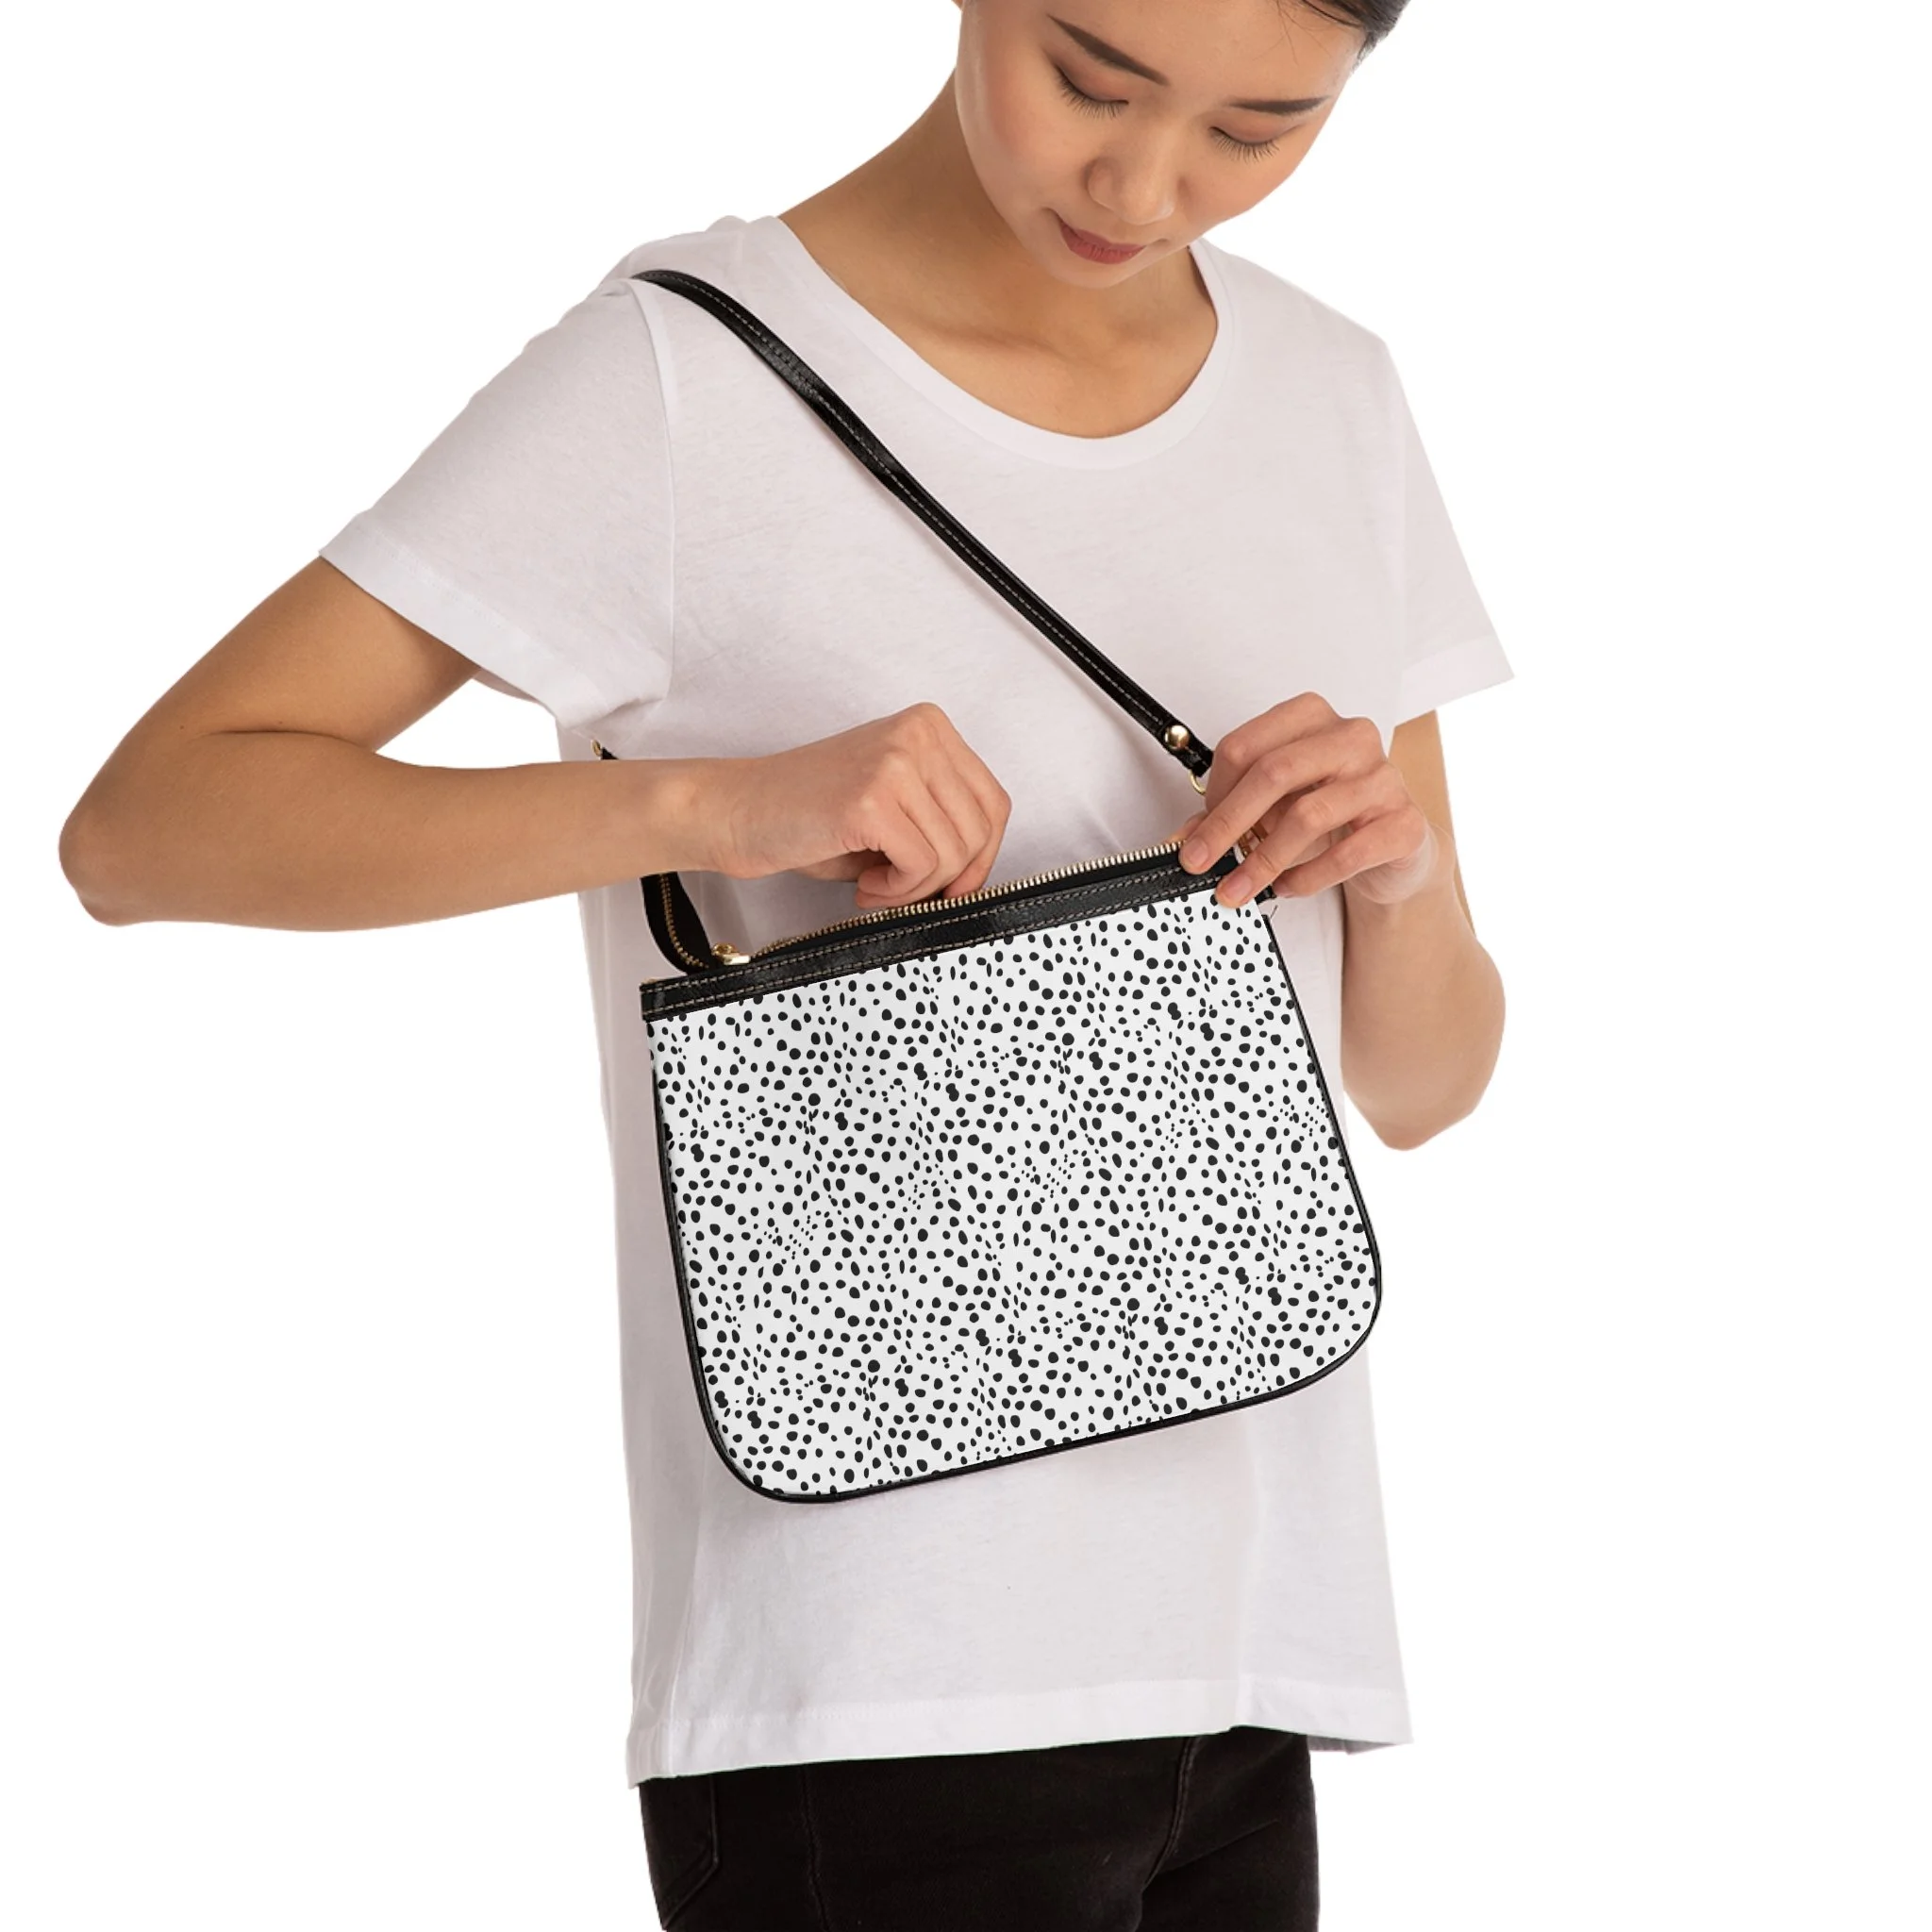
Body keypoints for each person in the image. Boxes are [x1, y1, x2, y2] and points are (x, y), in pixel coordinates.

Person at [58, 0, 1511, 1924]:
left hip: (1253, 1661)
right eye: (1092, 78)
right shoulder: (678, 376)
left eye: (1259, 127)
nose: (1149, 181)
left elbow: (1422, 1087)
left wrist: (1394, 881)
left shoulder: (1333, 394)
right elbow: (147, 826)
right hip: (874, 1676)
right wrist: (706, 805)